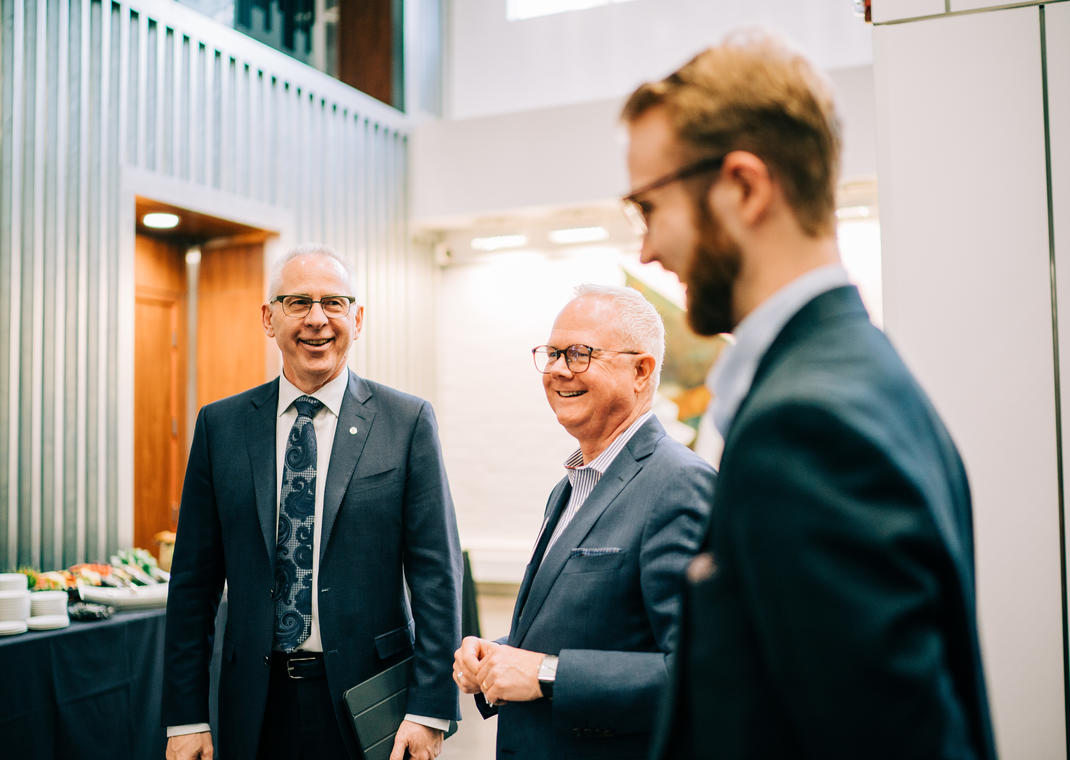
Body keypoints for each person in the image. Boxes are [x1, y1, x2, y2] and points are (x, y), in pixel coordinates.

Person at [620, 32, 997, 760]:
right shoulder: (865, 373)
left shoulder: (807, 427)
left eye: (648, 207)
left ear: (744, 187)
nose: (646, 251)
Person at [162, 245, 462, 760]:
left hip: (371, 702)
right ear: (268, 318)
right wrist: (185, 716)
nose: (317, 320)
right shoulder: (221, 427)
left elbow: (438, 576)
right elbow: (193, 585)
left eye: (334, 303)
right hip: (255, 704)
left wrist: (430, 708)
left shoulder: (406, 422)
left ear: (357, 318)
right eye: (298, 302)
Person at [453, 284, 715, 759]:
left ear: (641, 370)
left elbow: (704, 674)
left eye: (578, 354)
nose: (556, 369)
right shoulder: (571, 486)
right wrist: (497, 656)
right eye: (551, 353)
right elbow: (591, 628)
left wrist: (545, 673)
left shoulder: (679, 484)